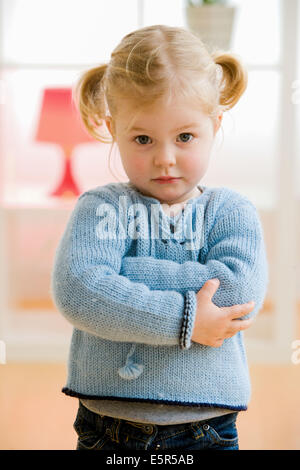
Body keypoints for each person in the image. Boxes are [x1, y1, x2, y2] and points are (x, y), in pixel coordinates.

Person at [50, 24, 268, 451]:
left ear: (215, 125)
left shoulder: (231, 210)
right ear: (114, 129)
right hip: (108, 428)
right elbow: (79, 291)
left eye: (185, 137)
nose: (165, 158)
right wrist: (186, 320)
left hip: (205, 428)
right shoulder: (100, 208)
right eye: (143, 138)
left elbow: (238, 293)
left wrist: (127, 272)